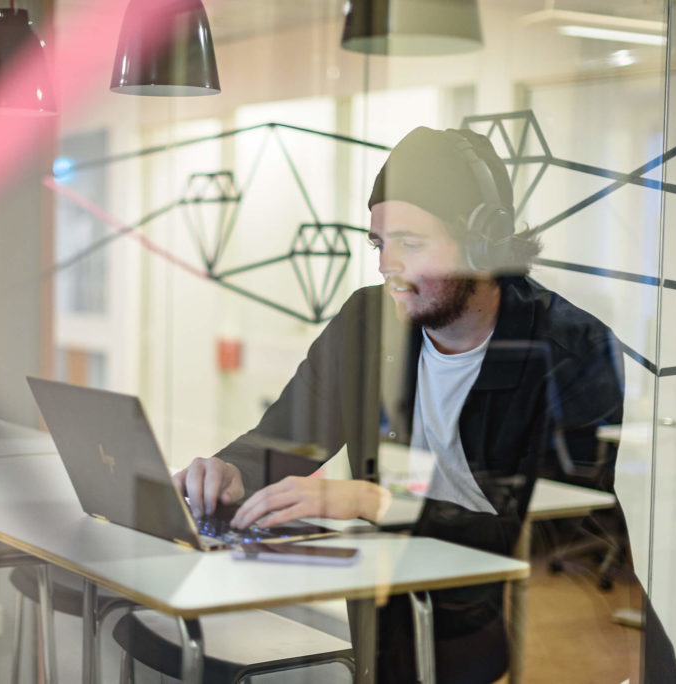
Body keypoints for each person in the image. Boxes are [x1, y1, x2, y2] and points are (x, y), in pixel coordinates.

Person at [174, 126, 627, 682]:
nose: (386, 265)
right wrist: (227, 472)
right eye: (379, 244)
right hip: (396, 615)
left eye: (410, 243)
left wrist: (376, 501)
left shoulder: (570, 350)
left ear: (482, 245)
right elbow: (284, 441)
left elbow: (555, 542)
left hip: (538, 636)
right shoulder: (367, 324)